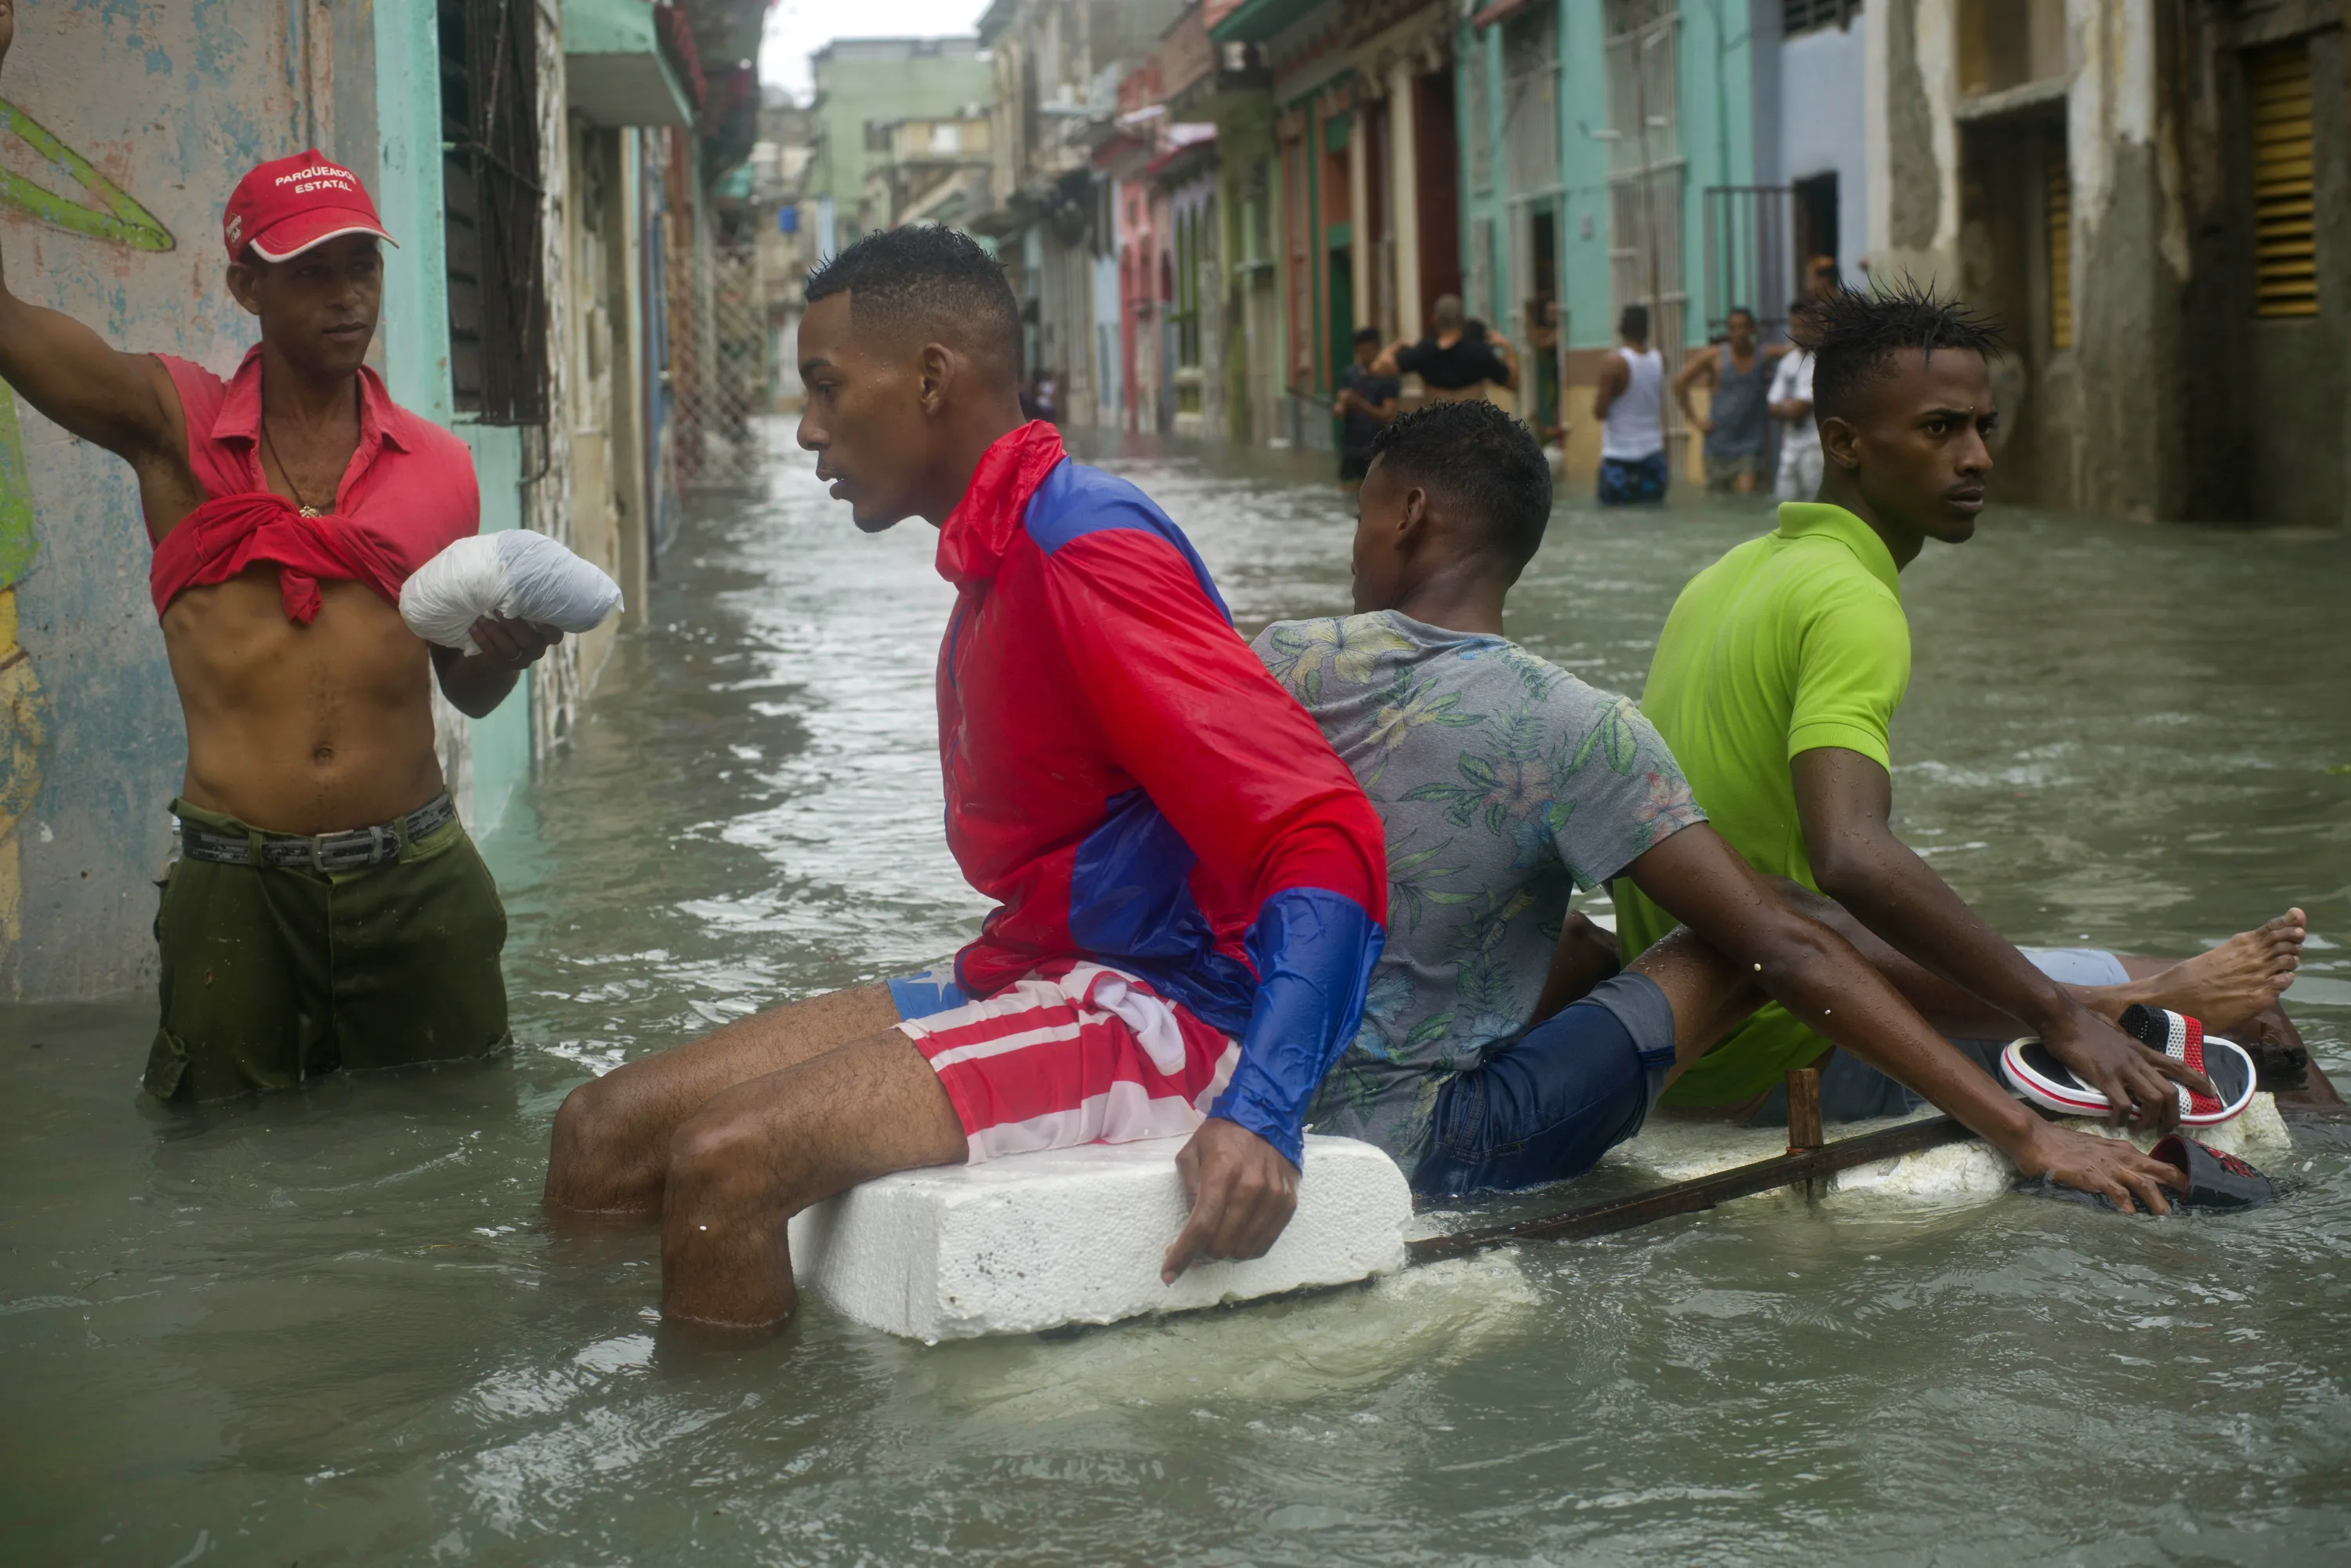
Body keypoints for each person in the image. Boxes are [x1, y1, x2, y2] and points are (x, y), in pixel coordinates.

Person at [541, 226, 1389, 1331]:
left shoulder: (1082, 544)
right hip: (1034, 970)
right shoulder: (999, 555)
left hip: (1169, 1010)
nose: (806, 430)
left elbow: (1328, 831)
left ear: (932, 378)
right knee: (601, 1131)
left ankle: (736, 1481)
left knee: (726, 1164)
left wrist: (1265, 1112)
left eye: (826, 388)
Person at [1252, 399, 2189, 1211]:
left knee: (1578, 938)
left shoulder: (1282, 660)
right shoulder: (1574, 726)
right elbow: (1780, 947)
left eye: (1363, 519)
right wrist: (2025, 1135)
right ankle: (2089, 1007)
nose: (1356, 549)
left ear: (1411, 513)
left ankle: (2088, 1003)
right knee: (1749, 927)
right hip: (1441, 1146)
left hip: (1262, 1100)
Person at [0, 27, 557, 1104]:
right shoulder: (175, 427)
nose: (346, 294)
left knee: (455, 1160)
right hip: (237, 892)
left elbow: (465, 691)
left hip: (417, 881)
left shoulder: (436, 470)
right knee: (222, 1188)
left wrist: (508, 654)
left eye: (361, 265)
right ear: (246, 283)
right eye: (310, 270)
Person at [1615, 284, 2306, 1128]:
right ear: (1844, 443)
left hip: (1685, 1038)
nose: (1976, 457)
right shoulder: (1850, 599)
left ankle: (2125, 995)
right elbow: (1852, 857)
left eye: (1984, 427)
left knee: (2158, 994)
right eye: (1940, 428)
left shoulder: (1724, 577)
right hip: (1790, 1050)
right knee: (2252, 1014)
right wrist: (2065, 1017)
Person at [1674, 306, 1773, 494]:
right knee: (1719, 503)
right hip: (1717, 443)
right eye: (1734, 328)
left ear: (1752, 329)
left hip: (1750, 445)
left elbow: (1793, 350)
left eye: (1744, 327)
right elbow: (1680, 383)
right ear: (1728, 331)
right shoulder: (1715, 356)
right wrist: (1696, 420)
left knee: (1746, 498)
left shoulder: (1762, 354)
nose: (1739, 333)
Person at [1372, 294, 1516, 406]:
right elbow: (1513, 383)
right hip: (1471, 430)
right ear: (1462, 320)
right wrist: (1506, 347)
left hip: (1436, 430)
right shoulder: (1479, 352)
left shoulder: (1424, 351)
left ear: (1435, 319)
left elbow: (1378, 368)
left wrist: (1397, 345)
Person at [1592, 305, 1668, 505]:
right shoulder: (1660, 360)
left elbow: (1599, 412)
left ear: (1621, 329)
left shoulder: (1614, 363)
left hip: (1619, 458)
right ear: (1647, 330)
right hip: (1654, 456)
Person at [1333, 326, 1400, 491]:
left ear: (1377, 349)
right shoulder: (1349, 374)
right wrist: (1340, 408)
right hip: (1351, 448)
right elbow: (1341, 403)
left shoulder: (1388, 377)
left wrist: (1360, 404)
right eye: (1359, 351)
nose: (1364, 356)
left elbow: (1388, 415)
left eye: (1368, 351)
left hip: (1378, 449)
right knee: (1348, 494)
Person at [1768, 302, 1822, 502]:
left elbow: (1801, 408)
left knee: (1814, 506)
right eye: (1794, 326)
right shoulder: (1788, 362)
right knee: (1783, 504)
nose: (1799, 332)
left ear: (1817, 327)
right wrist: (1790, 407)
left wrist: (1788, 407)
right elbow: (1772, 406)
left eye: (1805, 326)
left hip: (1816, 448)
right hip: (1790, 447)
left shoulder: (1821, 360)